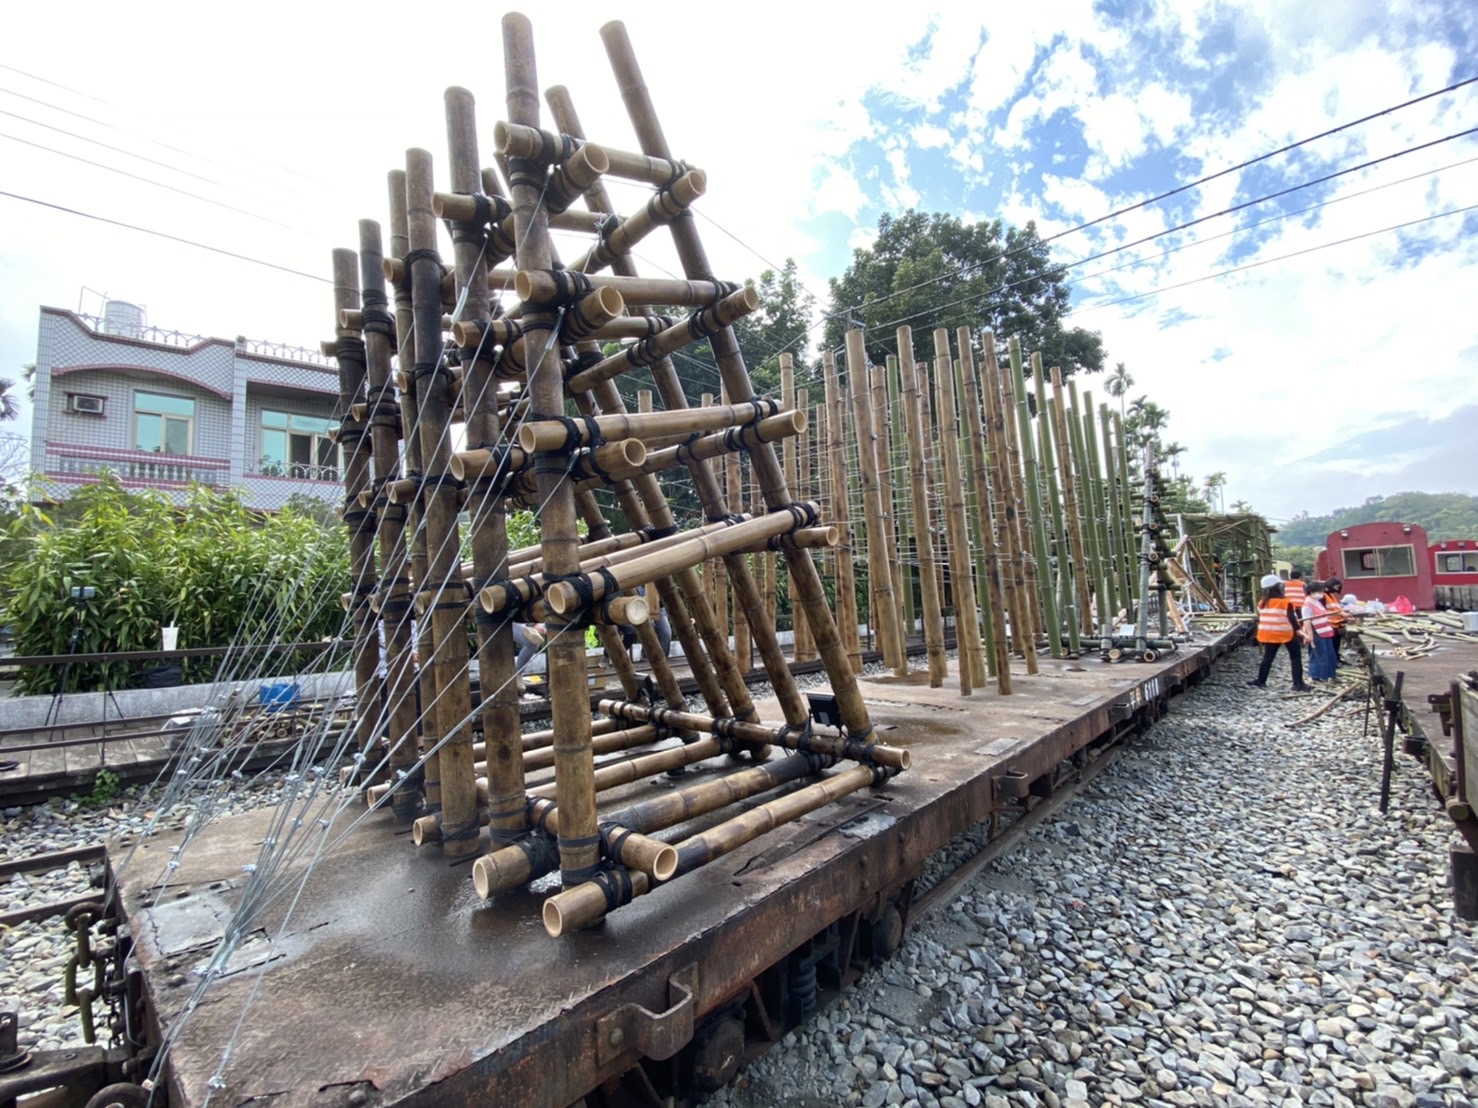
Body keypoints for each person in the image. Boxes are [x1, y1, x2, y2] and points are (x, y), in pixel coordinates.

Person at [1250, 573, 1309, 690]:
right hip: (1286, 633)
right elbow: (1292, 619)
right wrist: (1299, 631)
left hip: (1269, 634)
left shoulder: (1262, 603)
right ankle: (1298, 684)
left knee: (1268, 658)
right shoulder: (1286, 602)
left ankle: (1261, 680)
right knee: (1295, 658)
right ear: (1277, 587)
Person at [1301, 579, 1337, 681]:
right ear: (1311, 592)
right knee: (1320, 655)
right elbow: (1306, 621)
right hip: (1316, 632)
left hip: (1325, 630)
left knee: (1329, 654)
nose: (1321, 594)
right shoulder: (1307, 604)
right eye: (1319, 591)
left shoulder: (1316, 601)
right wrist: (1310, 635)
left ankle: (1329, 674)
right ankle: (1317, 675)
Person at [1321, 578, 1347, 664]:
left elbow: (1337, 608)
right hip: (1329, 623)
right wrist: (1341, 614)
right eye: (1336, 587)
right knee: (1332, 644)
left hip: (1336, 623)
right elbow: (1322, 611)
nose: (1337, 589)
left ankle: (1336, 658)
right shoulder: (1323, 596)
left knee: (1336, 643)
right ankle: (1333, 661)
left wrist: (1344, 615)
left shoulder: (1331, 595)